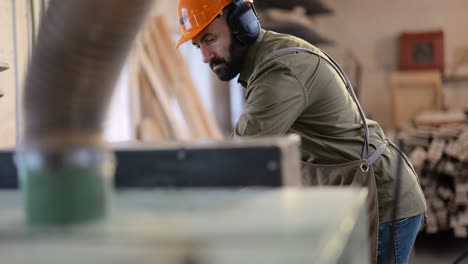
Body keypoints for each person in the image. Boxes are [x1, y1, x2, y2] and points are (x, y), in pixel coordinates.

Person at [175, 0, 426, 263]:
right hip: (354, 191)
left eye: (210, 39)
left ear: (241, 24)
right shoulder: (264, 62)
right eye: (197, 46)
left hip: (379, 197)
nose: (204, 57)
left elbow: (242, 158)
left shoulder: (278, 71)